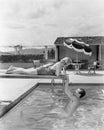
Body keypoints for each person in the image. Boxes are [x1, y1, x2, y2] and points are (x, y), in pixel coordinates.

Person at [6, 57, 71, 76]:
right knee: (26, 72)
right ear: (66, 63)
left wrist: (63, 70)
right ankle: (10, 71)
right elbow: (57, 74)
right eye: (68, 64)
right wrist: (62, 72)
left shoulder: (60, 64)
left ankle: (13, 68)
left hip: (44, 70)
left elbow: (59, 72)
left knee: (26, 70)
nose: (68, 65)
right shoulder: (60, 65)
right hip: (43, 71)